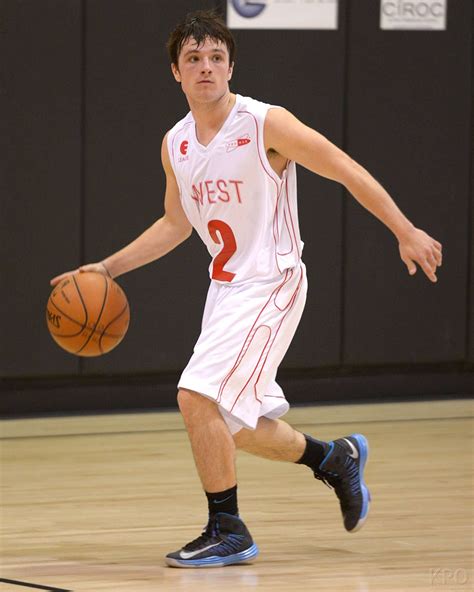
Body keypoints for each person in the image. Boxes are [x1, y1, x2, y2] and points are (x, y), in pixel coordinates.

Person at [51, 10, 442, 568]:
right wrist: (106, 269)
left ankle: (227, 528)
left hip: (273, 281)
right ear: (176, 73)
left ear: (231, 66)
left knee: (196, 396)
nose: (205, 67)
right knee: (230, 427)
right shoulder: (177, 143)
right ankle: (335, 458)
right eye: (193, 58)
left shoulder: (265, 124)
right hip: (227, 290)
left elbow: (344, 169)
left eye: (215, 57)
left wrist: (405, 230)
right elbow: (175, 224)